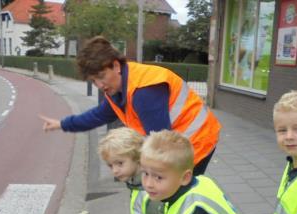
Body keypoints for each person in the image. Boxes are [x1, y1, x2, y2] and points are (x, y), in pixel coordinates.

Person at [39, 36, 221, 176]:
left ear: (116, 66)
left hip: (196, 141)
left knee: (177, 195)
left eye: (101, 76)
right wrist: (62, 124)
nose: (100, 85)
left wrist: (133, 168)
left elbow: (160, 144)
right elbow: (97, 116)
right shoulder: (118, 89)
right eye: (93, 81)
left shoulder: (144, 91)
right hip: (177, 140)